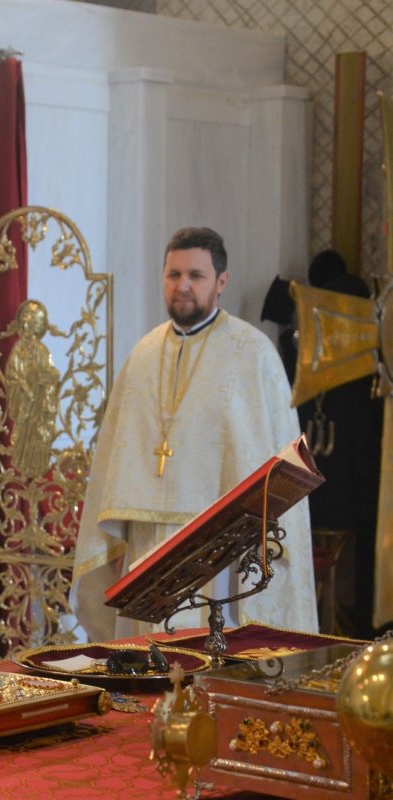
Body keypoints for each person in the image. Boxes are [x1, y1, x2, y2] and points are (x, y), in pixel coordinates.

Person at [70, 227, 317, 641]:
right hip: (147, 548)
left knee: (208, 657)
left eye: (196, 276)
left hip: (221, 550)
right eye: (173, 274)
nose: (182, 285)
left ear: (221, 282)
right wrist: (115, 542)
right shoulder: (142, 355)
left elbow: (277, 461)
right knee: (147, 660)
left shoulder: (254, 354)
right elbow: (115, 457)